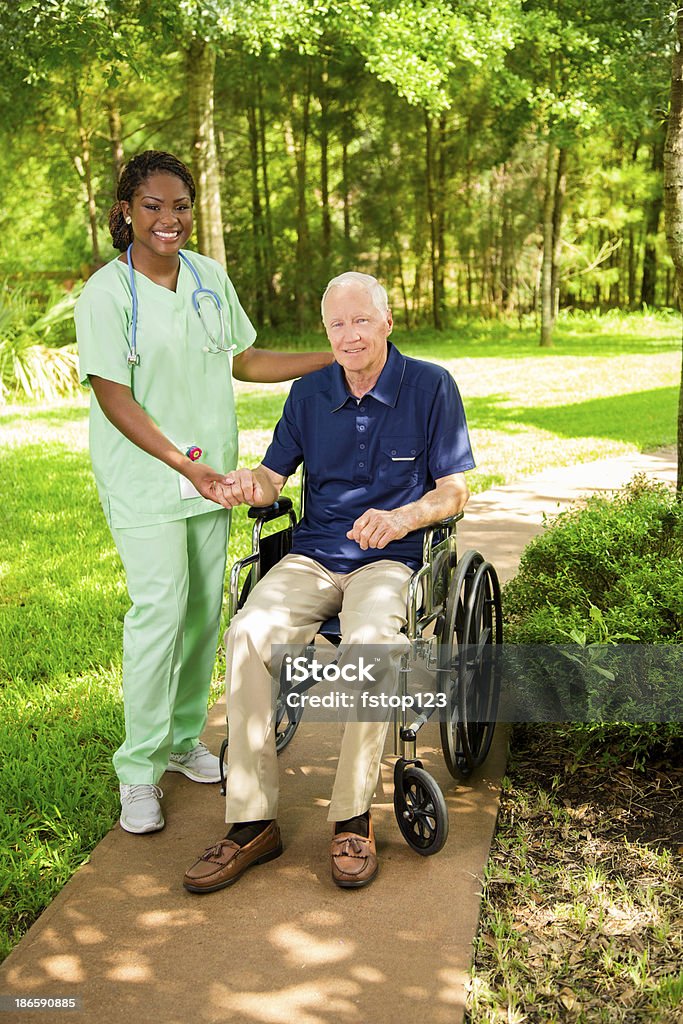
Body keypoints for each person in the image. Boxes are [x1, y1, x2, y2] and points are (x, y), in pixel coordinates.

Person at [183, 270, 475, 892]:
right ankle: (252, 823)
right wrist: (246, 486)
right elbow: (272, 477)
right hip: (315, 555)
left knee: (372, 644)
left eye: (361, 320)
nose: (349, 335)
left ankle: (350, 816)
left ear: (388, 322)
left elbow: (454, 489)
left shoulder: (430, 387)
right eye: (337, 323)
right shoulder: (310, 393)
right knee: (248, 633)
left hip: (391, 559)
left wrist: (404, 515)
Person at [75, 150, 332, 836]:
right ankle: (137, 770)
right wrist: (179, 465)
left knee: (199, 616)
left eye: (180, 206)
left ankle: (183, 738)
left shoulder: (208, 277)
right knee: (158, 612)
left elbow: (244, 360)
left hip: (213, 479)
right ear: (125, 210)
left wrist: (335, 353)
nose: (169, 219)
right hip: (149, 479)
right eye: (153, 206)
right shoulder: (105, 294)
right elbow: (113, 396)